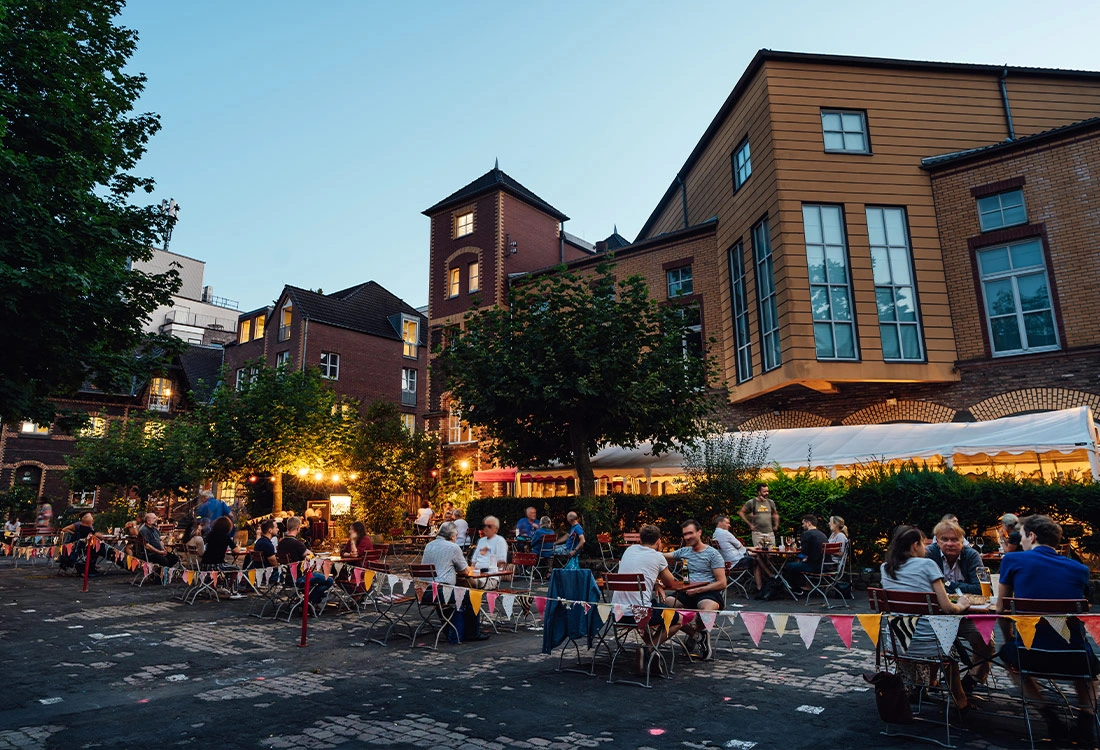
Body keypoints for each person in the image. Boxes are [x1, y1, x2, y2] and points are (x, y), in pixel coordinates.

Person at [997, 515, 1097, 744]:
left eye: (1022, 536)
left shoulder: (1012, 560)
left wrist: (1009, 638)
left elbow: (1001, 609)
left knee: (1007, 656)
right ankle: (1086, 718)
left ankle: (1048, 715)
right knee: (1087, 664)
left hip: (1028, 654)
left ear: (1031, 536)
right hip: (1074, 658)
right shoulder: (1080, 569)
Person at [881, 525, 988, 710]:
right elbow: (948, 608)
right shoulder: (927, 564)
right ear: (915, 545)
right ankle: (961, 702)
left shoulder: (886, 567)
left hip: (897, 641)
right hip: (927, 640)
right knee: (948, 652)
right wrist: (962, 604)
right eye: (923, 543)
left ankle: (924, 687)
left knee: (944, 642)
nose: (926, 548)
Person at [614, 524, 682, 673]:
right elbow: (670, 582)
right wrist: (659, 582)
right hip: (640, 615)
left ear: (640, 539)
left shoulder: (629, 550)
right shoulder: (657, 556)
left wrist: (655, 583)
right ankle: (649, 649)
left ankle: (648, 652)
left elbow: (638, 575)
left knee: (646, 607)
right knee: (677, 619)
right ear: (658, 541)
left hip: (617, 614)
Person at [662, 519, 727, 661]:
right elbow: (662, 556)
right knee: (665, 606)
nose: (687, 537)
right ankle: (696, 635)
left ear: (699, 532)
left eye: (690, 533)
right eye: (685, 534)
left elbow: (722, 583)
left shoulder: (713, 554)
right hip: (686, 591)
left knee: (707, 610)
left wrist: (698, 590)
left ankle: (698, 632)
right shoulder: (684, 551)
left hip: (708, 591)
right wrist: (645, 551)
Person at [422, 522, 488, 642]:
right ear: (452, 536)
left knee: (462, 592)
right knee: (473, 595)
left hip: (424, 592)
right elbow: (464, 571)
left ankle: (456, 629)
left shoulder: (429, 545)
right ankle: (472, 633)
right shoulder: (453, 547)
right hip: (441, 592)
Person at [277, 516, 332, 603]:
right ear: (298, 528)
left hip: (286, 578)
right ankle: (310, 600)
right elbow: (310, 554)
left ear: (287, 527)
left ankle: (310, 599)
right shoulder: (297, 543)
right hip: (299, 578)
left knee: (316, 579)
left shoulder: (281, 543)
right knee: (329, 580)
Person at [924, 519, 984, 595]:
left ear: (962, 541)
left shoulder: (971, 555)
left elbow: (981, 588)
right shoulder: (929, 554)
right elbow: (925, 586)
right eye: (944, 539)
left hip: (969, 604)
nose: (950, 544)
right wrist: (962, 587)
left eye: (954, 540)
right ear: (937, 541)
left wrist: (949, 585)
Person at [712, 514, 765, 596]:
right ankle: (760, 587)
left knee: (756, 555)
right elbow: (739, 546)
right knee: (757, 560)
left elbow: (738, 548)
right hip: (735, 562)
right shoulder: (725, 533)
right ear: (720, 523)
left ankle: (770, 578)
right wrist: (751, 548)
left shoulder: (715, 534)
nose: (729, 525)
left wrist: (749, 549)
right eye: (727, 523)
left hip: (727, 562)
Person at [782, 515, 828, 593]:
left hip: (814, 567)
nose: (802, 526)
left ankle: (795, 589)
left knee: (789, 565)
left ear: (808, 523)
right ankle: (802, 586)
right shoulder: (822, 535)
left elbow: (804, 552)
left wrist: (797, 556)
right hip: (826, 566)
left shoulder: (807, 534)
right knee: (797, 564)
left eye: (803, 523)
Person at [201, 516, 244, 598]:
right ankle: (233, 591)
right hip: (216, 565)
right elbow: (236, 551)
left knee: (228, 568)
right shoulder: (226, 537)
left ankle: (222, 588)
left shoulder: (210, 534)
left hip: (204, 564)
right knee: (236, 568)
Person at [469, 515, 508, 589]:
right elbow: (473, 562)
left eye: (489, 526)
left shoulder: (500, 541)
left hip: (489, 578)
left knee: (466, 582)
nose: (486, 528)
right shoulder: (481, 541)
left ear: (496, 529)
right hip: (476, 575)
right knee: (459, 580)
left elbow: (501, 564)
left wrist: (486, 570)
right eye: (484, 526)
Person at [739, 483, 779, 548]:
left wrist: (776, 525)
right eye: (764, 491)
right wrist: (749, 524)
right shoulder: (752, 502)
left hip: (769, 533)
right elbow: (741, 513)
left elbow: (775, 514)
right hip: (757, 533)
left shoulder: (770, 502)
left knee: (771, 553)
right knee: (759, 554)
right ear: (759, 492)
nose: (767, 493)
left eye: (767, 491)